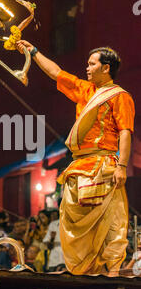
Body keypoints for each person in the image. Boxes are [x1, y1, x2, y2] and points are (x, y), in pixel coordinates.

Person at [17, 40, 135, 276]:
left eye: (92, 64)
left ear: (106, 68)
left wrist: (122, 165)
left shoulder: (120, 97)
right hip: (79, 166)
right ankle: (83, 269)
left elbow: (125, 131)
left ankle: (111, 270)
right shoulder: (86, 91)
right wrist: (34, 51)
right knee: (70, 217)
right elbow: (56, 73)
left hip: (105, 165)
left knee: (111, 219)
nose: (87, 68)